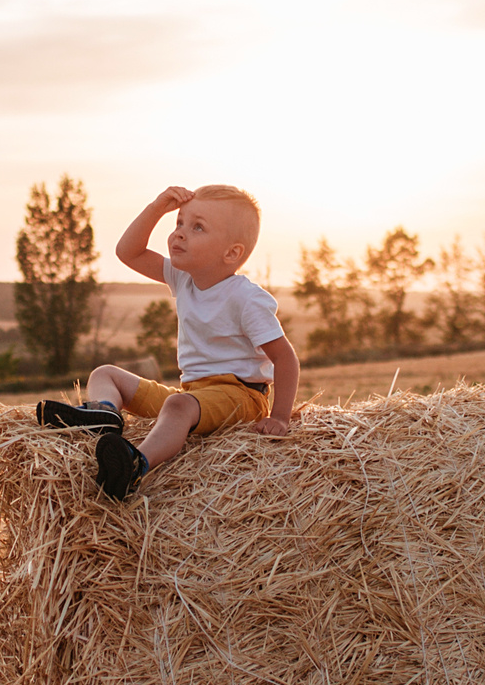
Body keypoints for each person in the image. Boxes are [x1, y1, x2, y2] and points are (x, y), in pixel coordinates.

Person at [36, 183, 298, 499]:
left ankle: (135, 465)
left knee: (177, 406)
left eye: (197, 227)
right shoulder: (182, 276)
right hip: (194, 396)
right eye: (179, 223)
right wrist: (157, 208)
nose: (180, 233)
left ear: (232, 253)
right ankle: (104, 416)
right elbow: (127, 252)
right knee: (105, 374)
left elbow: (285, 359)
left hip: (240, 396)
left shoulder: (246, 299)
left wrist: (280, 418)